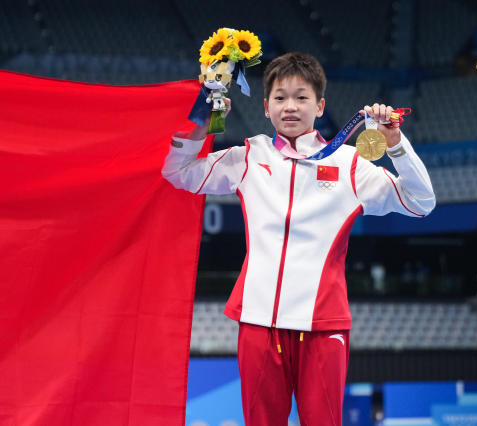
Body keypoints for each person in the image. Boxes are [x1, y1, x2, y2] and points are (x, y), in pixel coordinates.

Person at [162, 52, 436, 426]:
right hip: (258, 323)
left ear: (320, 106)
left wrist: (395, 143)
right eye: (280, 97)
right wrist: (203, 122)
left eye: (302, 97)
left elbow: (421, 202)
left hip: (323, 326)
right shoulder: (249, 157)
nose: (290, 106)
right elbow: (179, 172)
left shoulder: (350, 164)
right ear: (265, 107)